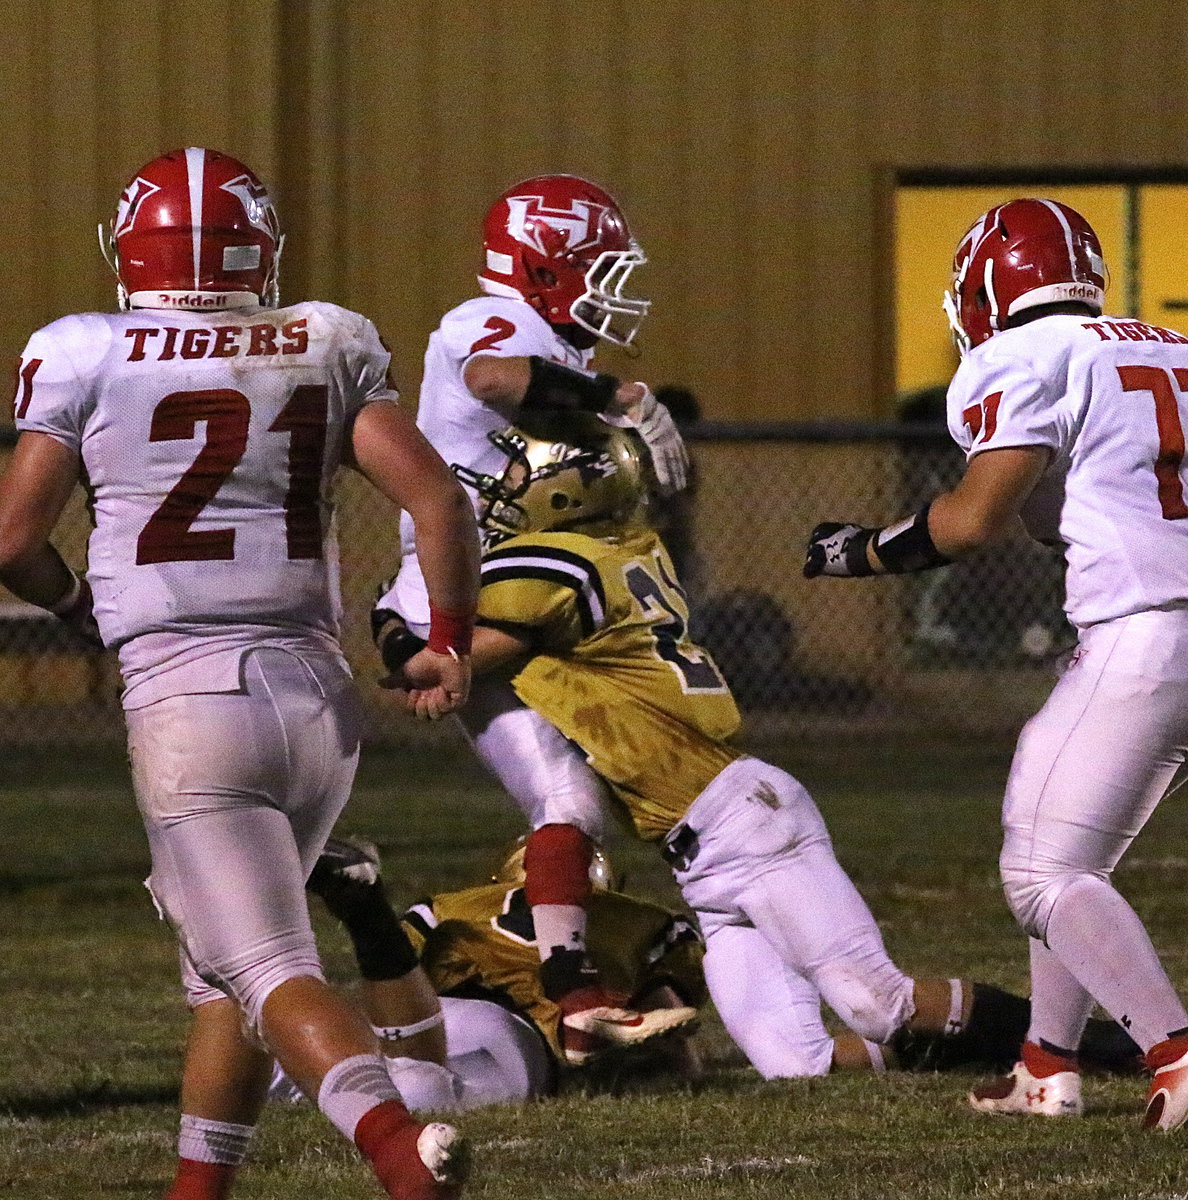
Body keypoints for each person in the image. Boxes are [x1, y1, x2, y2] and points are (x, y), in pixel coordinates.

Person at [0, 147, 479, 1199]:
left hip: (190, 695)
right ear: (256, 247)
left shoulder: (87, 350)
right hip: (316, 701)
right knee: (224, 972)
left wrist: (79, 601)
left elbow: (9, 541)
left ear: (132, 248)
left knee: (265, 970)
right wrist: (446, 633)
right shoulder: (325, 337)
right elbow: (440, 498)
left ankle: (400, 1150)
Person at [386, 415, 1032, 1080]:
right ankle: (973, 1048)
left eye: (523, 471)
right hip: (702, 859)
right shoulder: (623, 549)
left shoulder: (562, 563)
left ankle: (1078, 1045)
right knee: (796, 1065)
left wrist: (397, 635)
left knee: (878, 1003)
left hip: (740, 822)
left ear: (566, 488)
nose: (507, 485)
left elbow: (451, 664)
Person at [804, 197, 1188, 1129]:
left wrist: (862, 549)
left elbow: (974, 520)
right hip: (1162, 621)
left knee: (1044, 876)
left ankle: (1175, 1056)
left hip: (1148, 628)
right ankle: (1046, 1068)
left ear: (986, 287)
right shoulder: (1172, 345)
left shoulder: (1022, 355)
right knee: (1052, 841)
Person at [371, 173, 694, 1060]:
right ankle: (574, 984)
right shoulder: (497, 323)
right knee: (572, 796)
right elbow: (497, 377)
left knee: (617, 789)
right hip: (471, 593)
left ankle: (601, 975)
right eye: (595, 267)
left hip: (538, 591)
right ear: (544, 267)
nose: (611, 289)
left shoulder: (567, 356)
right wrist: (615, 399)